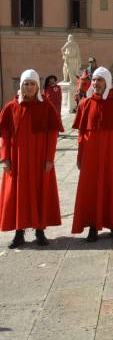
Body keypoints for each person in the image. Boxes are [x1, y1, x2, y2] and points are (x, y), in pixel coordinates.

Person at [0, 70, 63, 248]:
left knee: (39, 191)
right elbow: (4, 134)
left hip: (39, 159)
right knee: (17, 194)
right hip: (17, 159)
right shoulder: (11, 107)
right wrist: (5, 157)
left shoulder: (46, 107)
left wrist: (49, 158)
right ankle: (19, 232)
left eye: (32, 84)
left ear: (37, 87)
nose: (29, 87)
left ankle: (39, 230)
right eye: (26, 84)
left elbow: (52, 134)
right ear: (21, 86)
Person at [71, 67, 113, 241]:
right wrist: (80, 156)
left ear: (107, 82)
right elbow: (82, 133)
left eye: (100, 80)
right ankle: (93, 226)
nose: (96, 83)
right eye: (94, 80)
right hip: (91, 154)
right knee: (91, 188)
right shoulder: (85, 103)